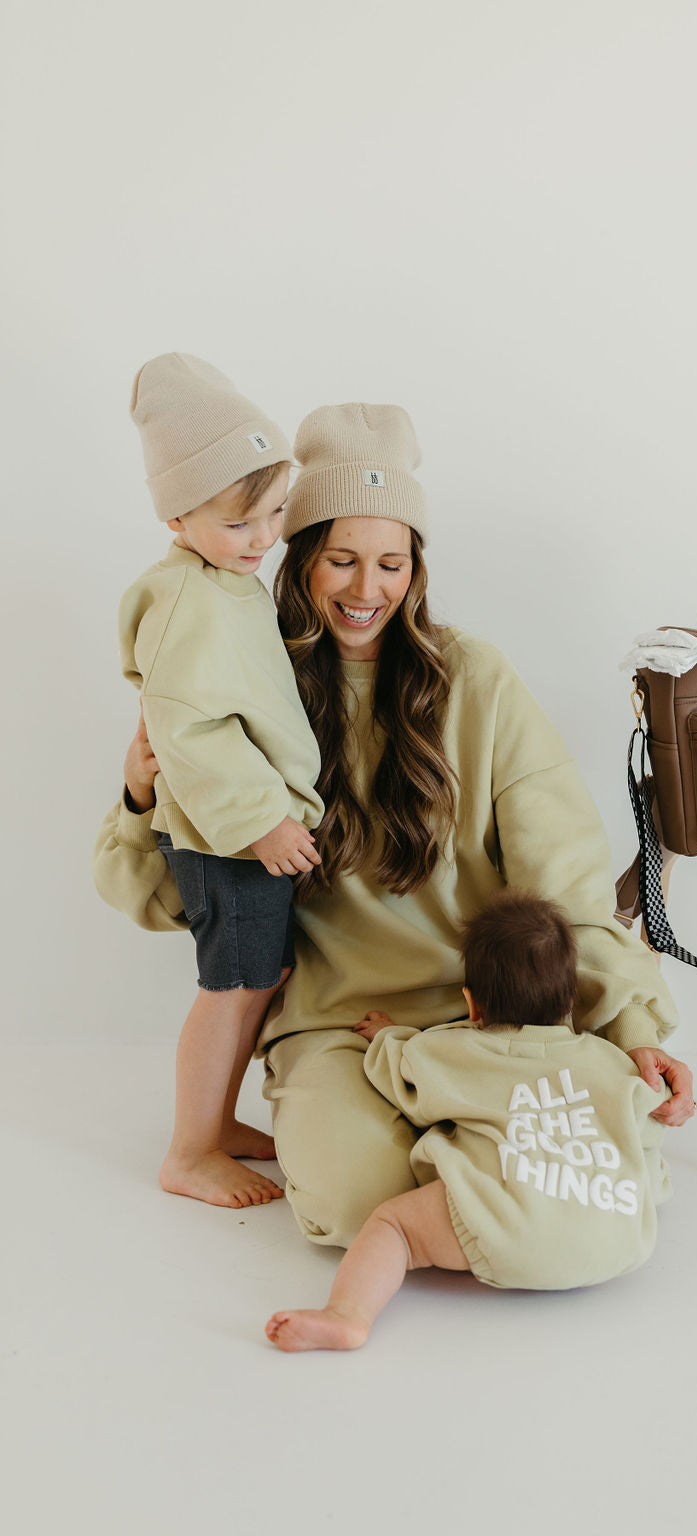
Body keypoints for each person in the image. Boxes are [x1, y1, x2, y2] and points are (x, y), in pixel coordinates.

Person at [94, 400, 695, 1249]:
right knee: (353, 1209)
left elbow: (562, 875)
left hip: (494, 1019)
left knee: (596, 1194)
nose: (366, 590)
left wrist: (629, 1027)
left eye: (391, 564)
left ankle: (464, 1137)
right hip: (338, 1031)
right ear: (299, 558)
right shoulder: (237, 676)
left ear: (416, 568)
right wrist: (140, 799)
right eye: (341, 560)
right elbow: (171, 903)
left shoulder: (475, 679)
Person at [265, 890, 671, 1352]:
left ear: (472, 1004)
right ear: (571, 1000)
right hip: (617, 1242)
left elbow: (399, 1073)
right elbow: (648, 1130)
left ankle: (347, 1315)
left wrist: (387, 1034)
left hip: (502, 1229)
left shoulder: (454, 1051)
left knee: (393, 1226)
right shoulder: (612, 1064)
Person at [113, 354, 324, 1210]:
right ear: (176, 515)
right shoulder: (187, 601)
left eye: (274, 513)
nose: (264, 538)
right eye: (241, 524)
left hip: (245, 825)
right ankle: (189, 1150)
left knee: (261, 979)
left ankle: (220, 1119)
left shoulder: (224, 578)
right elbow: (191, 728)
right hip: (224, 832)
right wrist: (261, 820)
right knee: (230, 986)